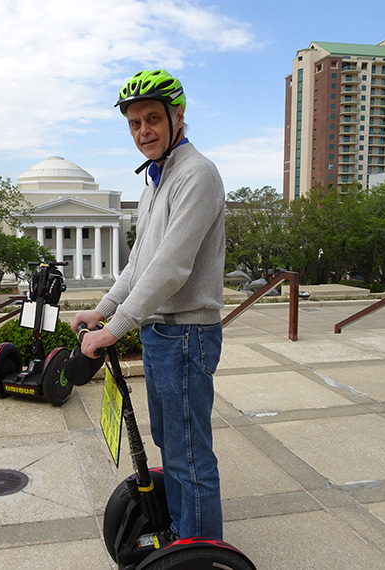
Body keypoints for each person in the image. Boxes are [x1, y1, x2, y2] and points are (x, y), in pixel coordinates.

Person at [71, 69, 226, 541]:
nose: (144, 132)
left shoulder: (196, 175)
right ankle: (182, 531)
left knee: (188, 453)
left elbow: (171, 268)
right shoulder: (155, 182)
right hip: (160, 335)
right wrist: (102, 310)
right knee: (170, 444)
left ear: (178, 116)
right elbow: (139, 263)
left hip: (186, 333)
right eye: (135, 123)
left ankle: (197, 551)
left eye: (153, 119)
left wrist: (114, 328)